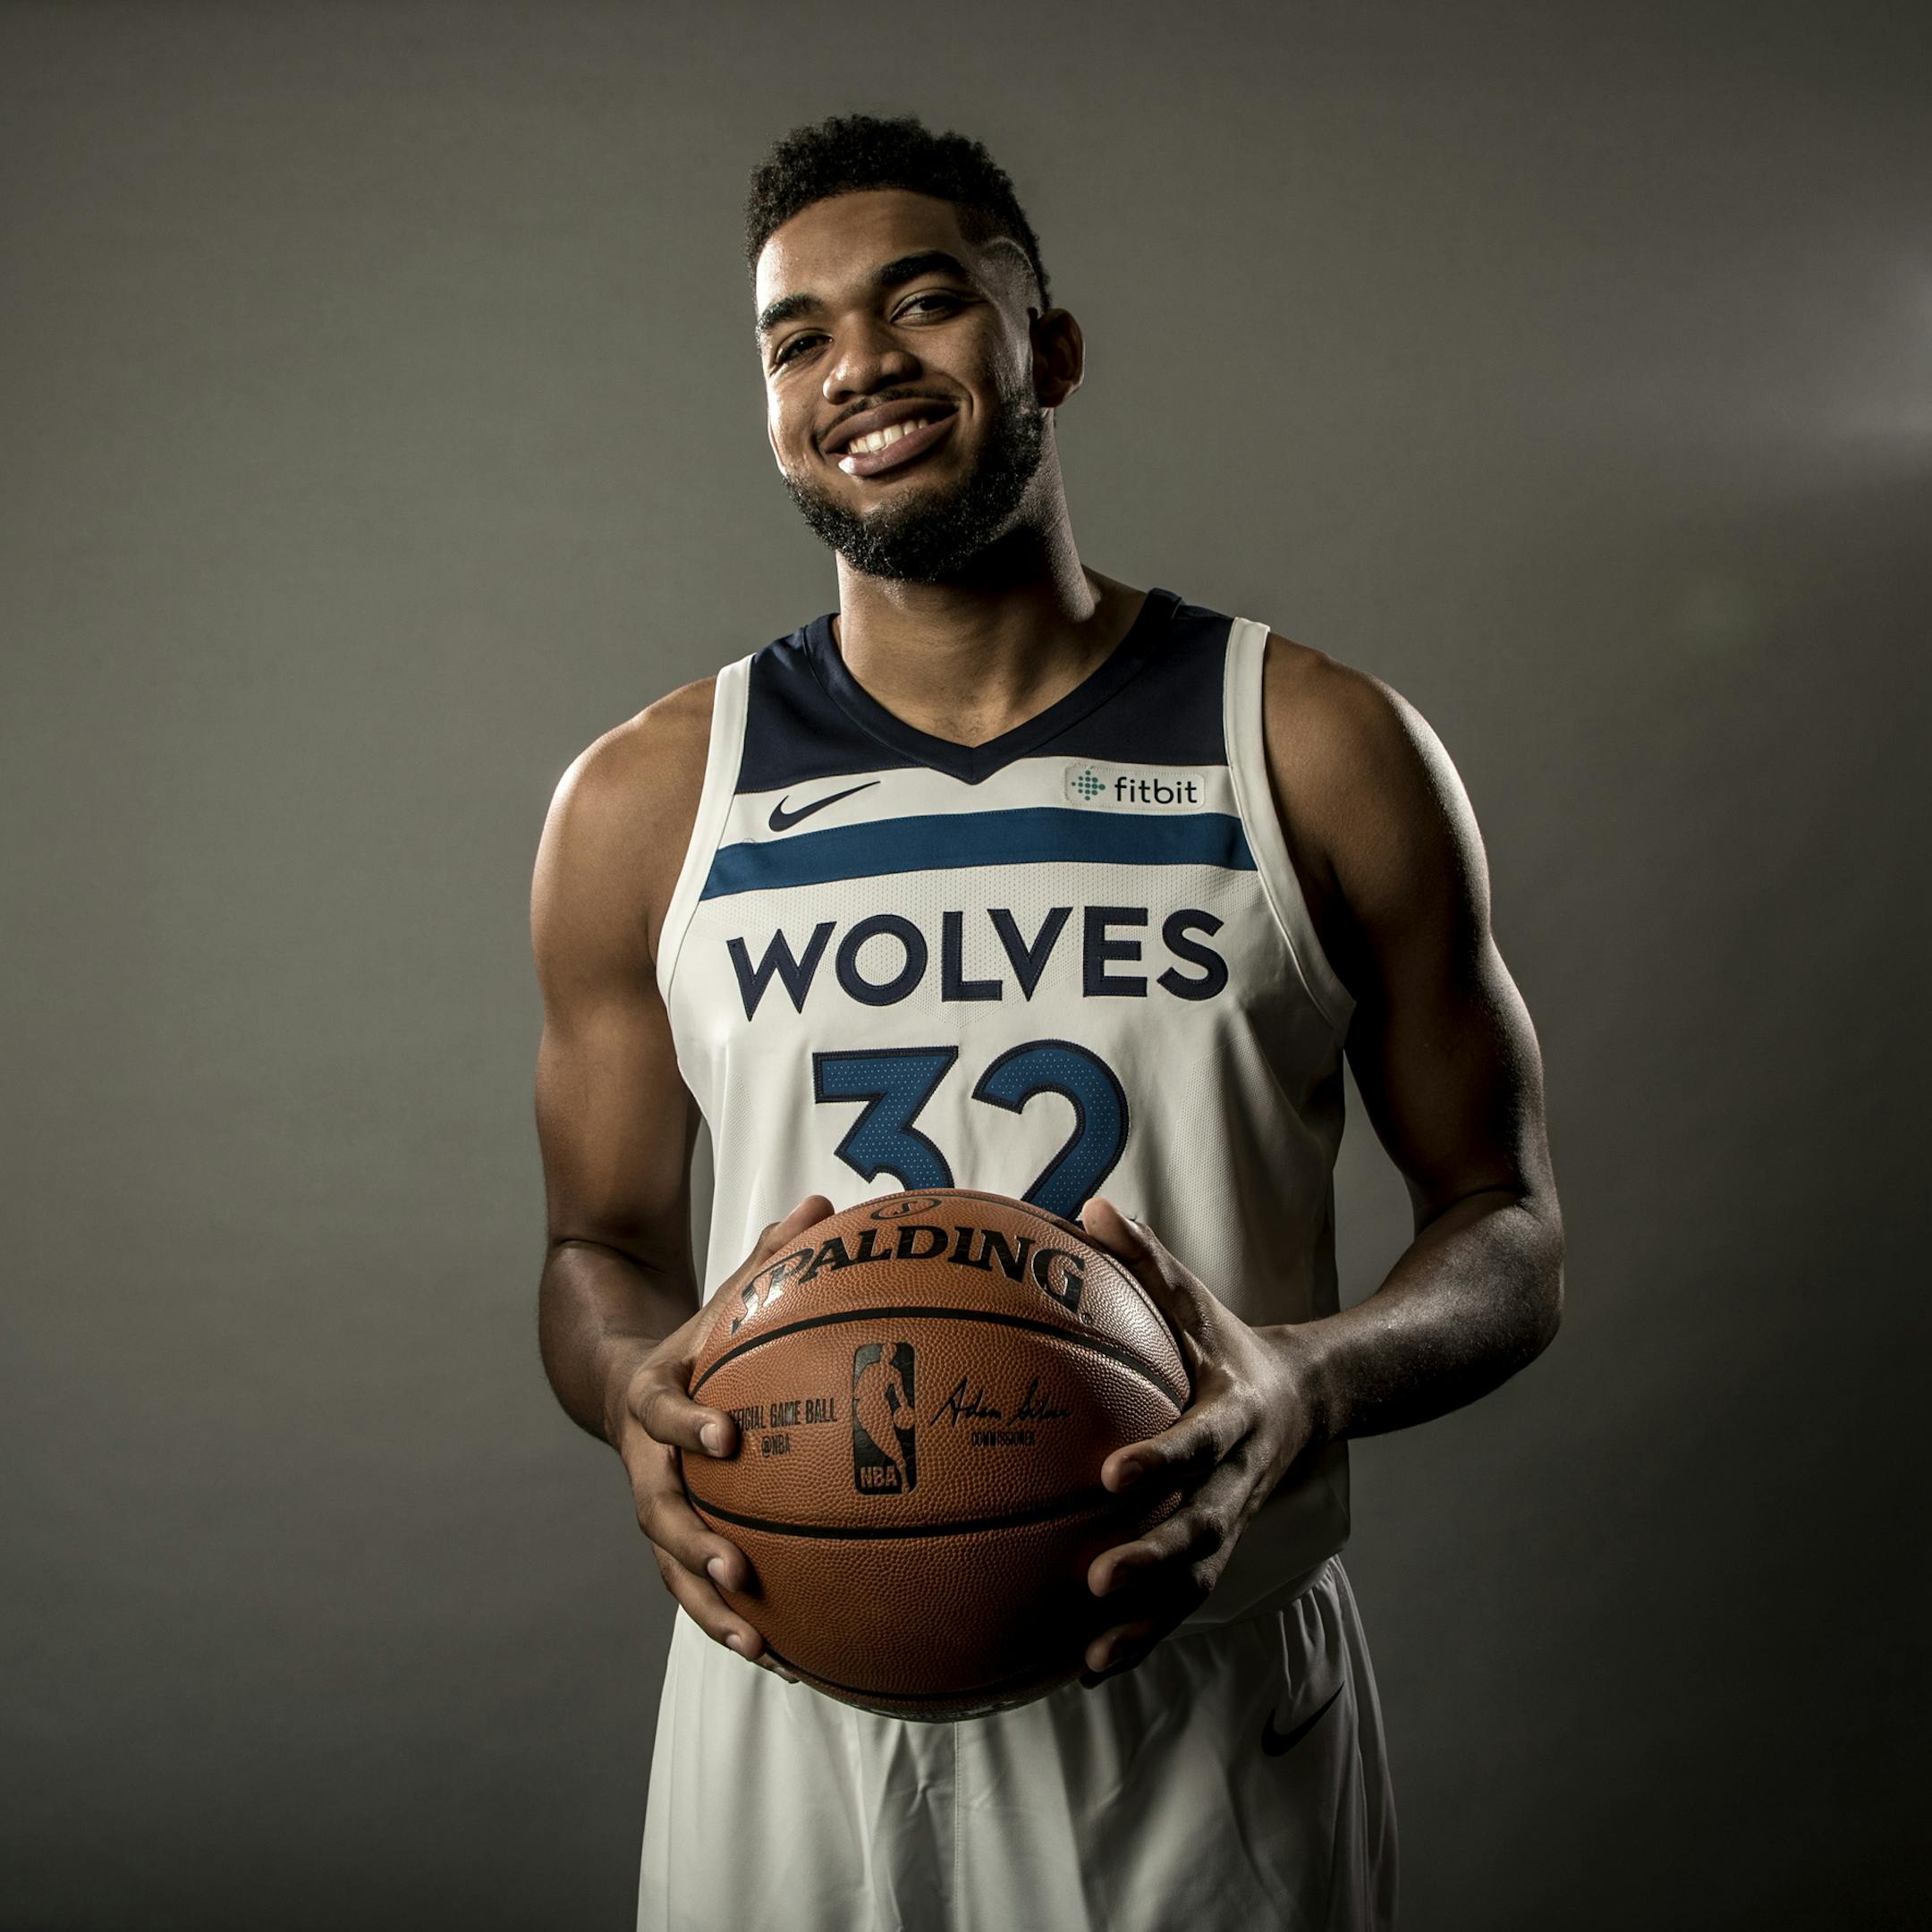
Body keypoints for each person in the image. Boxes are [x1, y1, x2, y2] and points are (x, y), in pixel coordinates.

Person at [531, 112, 1563, 1932]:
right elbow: (595, 1248)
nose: (860, 365)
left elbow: (1510, 1228)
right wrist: (636, 1390)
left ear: (1047, 349)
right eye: (798, 336)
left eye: (924, 303)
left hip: (1192, 1678)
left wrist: (1306, 1379)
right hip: (790, 1674)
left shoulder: (1310, 742)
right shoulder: (647, 796)